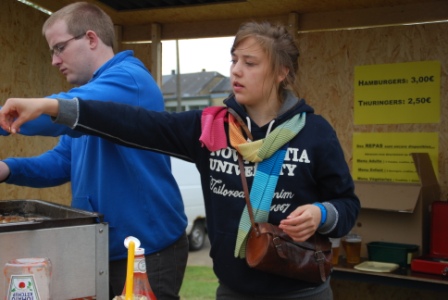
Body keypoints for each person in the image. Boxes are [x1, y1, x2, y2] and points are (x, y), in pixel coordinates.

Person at [1, 21, 361, 299]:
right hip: (233, 292)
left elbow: (347, 206)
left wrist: (321, 214)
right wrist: (53, 107)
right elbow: (132, 123)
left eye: (250, 63)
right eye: (234, 60)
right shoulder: (209, 128)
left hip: (302, 292)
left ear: (282, 72)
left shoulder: (315, 133)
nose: (236, 71)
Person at [0, 2, 188, 299]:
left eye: (59, 48)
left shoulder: (128, 80)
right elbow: (63, 162)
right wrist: (7, 169)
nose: (54, 60)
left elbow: (66, 112)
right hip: (100, 248)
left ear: (90, 38)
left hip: (145, 252)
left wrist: (4, 119)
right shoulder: (90, 93)